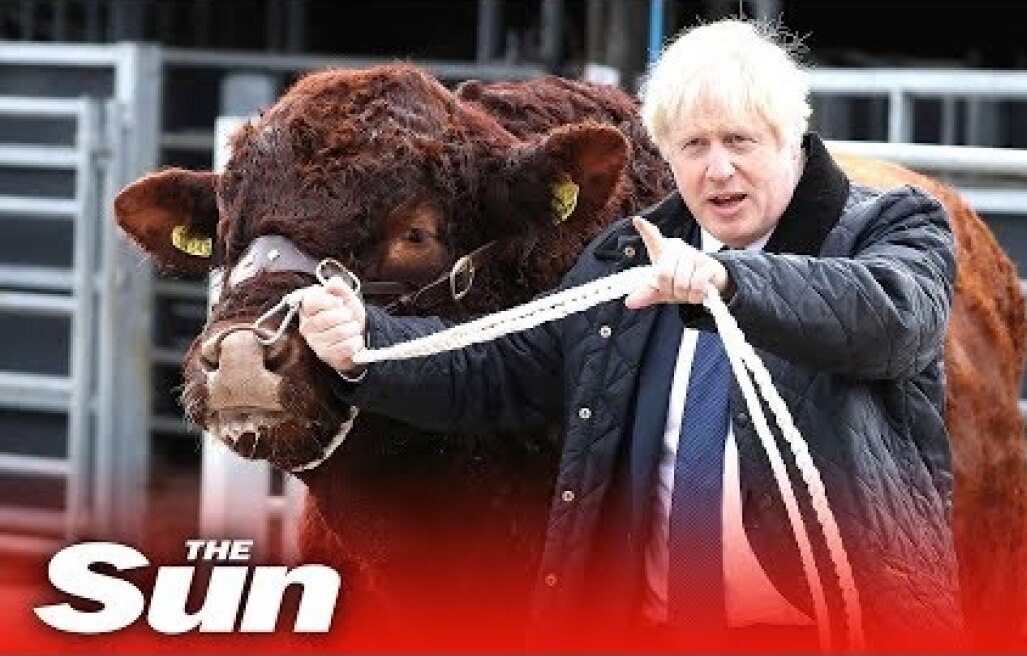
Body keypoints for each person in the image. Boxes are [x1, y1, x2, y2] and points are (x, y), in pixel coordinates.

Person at [298, 18, 964, 651]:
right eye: (694, 146)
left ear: (792, 138)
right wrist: (366, 346)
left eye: (740, 141)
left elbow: (894, 318)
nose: (718, 170)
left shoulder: (894, 225)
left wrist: (730, 282)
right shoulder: (629, 255)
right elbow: (504, 368)